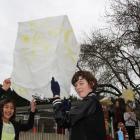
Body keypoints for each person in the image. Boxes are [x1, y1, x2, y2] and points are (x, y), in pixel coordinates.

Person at [51, 71, 106, 140]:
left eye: (81, 83)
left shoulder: (91, 101)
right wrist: (67, 111)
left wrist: (56, 97)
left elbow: (63, 121)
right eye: (75, 85)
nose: (77, 87)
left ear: (91, 83)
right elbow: (76, 126)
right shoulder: (91, 101)